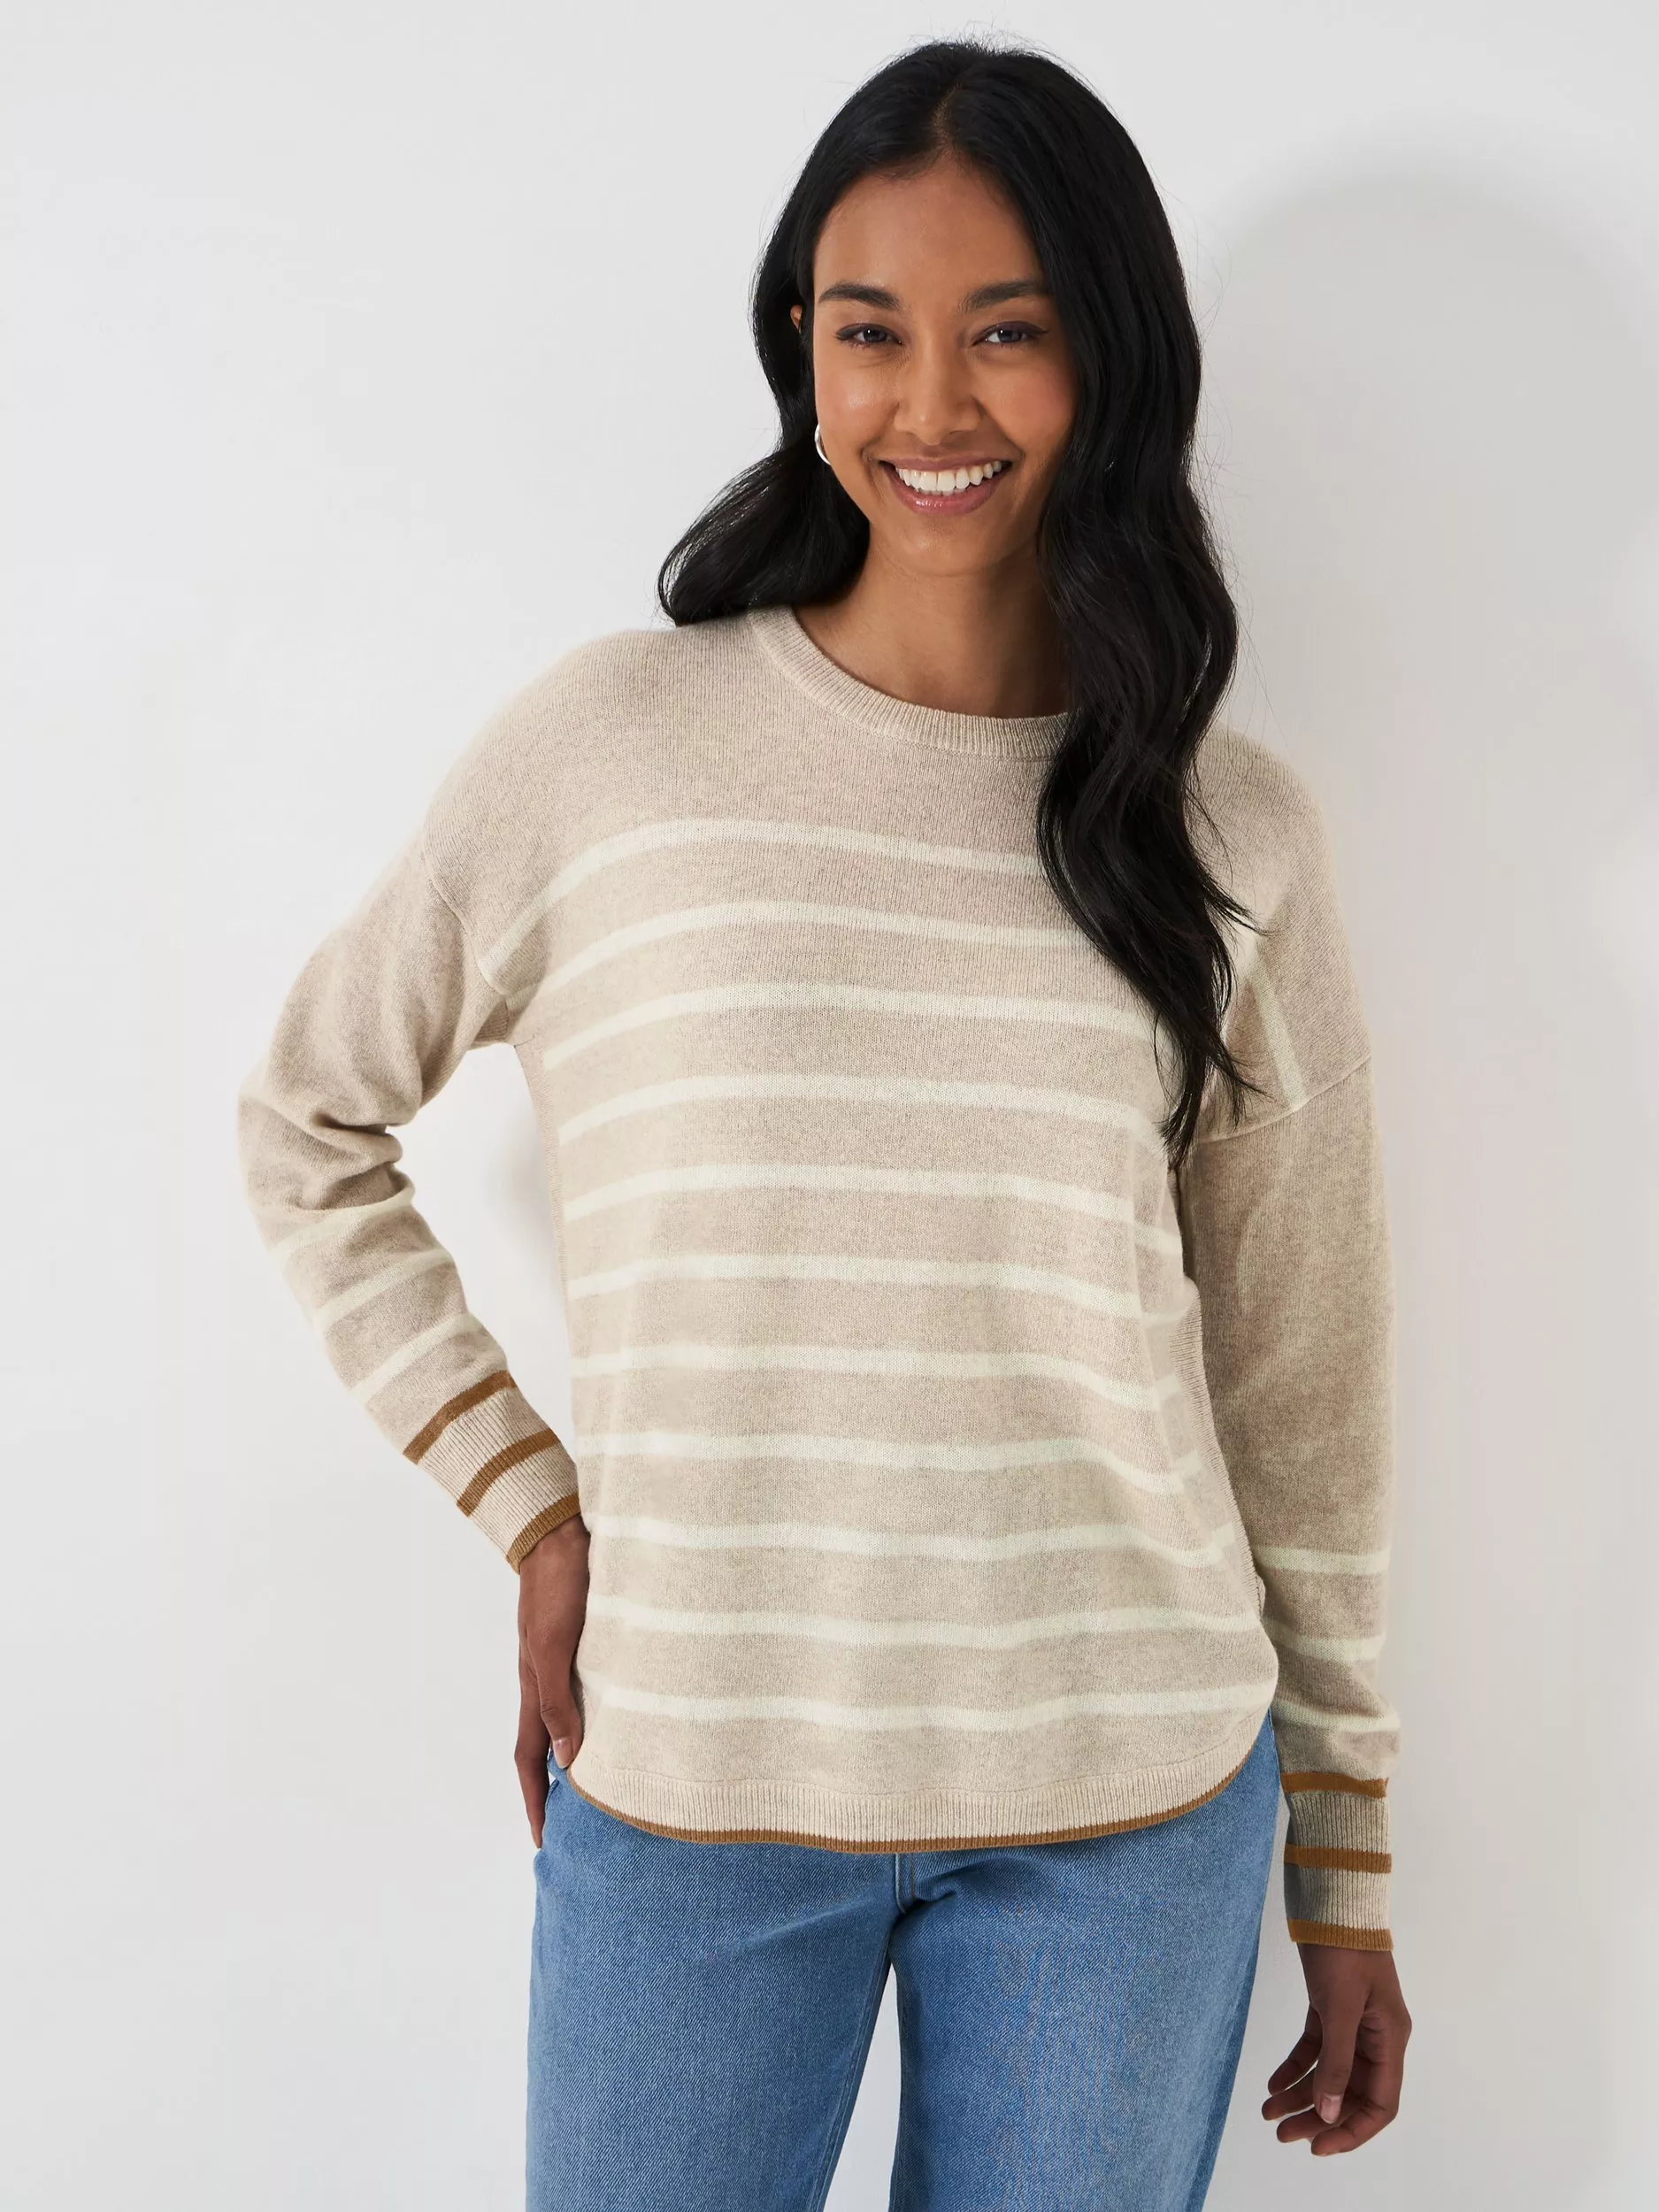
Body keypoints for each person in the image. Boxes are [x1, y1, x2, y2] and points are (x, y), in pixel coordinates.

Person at [236, 36, 1410, 2212]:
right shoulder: (614, 751)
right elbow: (309, 1116)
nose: (929, 401)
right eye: (868, 330)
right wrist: (530, 1498)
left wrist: (1341, 1853)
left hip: (1131, 1809)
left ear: (1111, 358)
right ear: (801, 348)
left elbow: (1299, 1374)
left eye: (1008, 332)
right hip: (694, 1771)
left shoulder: (1227, 828)